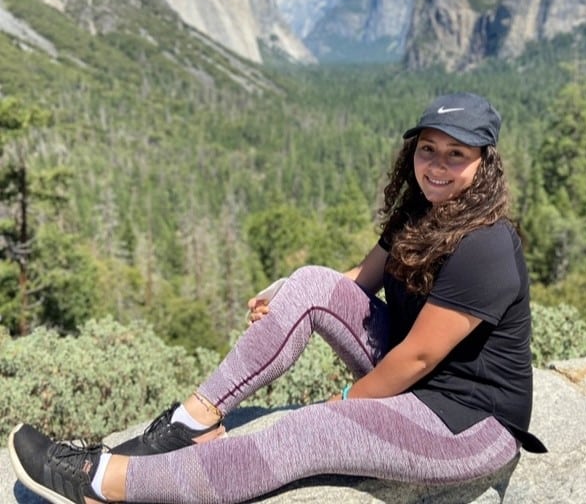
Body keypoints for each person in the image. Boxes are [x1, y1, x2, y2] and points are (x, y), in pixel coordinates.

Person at [8, 91, 547, 504]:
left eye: (456, 154)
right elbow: (360, 278)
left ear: (484, 164)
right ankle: (195, 420)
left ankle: (102, 481)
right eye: (428, 149)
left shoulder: (485, 247)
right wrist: (290, 297)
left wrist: (349, 402)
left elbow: (419, 356)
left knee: (314, 428)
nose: (436, 165)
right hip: (417, 381)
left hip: (468, 419)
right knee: (309, 280)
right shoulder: (420, 214)